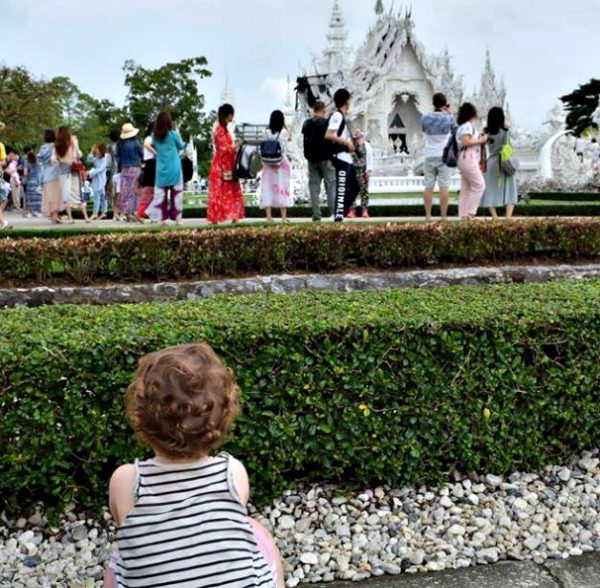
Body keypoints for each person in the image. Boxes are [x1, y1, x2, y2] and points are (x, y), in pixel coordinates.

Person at [104, 344, 285, 588]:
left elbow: (128, 528)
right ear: (224, 415)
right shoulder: (232, 473)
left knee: (117, 563)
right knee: (256, 532)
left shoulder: (126, 481)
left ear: (141, 417)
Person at [207, 104, 245, 225]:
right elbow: (225, 149)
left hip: (226, 164)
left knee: (228, 190)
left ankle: (233, 216)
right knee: (221, 191)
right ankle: (219, 218)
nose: (232, 117)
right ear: (228, 115)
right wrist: (237, 145)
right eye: (231, 114)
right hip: (221, 165)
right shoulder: (220, 130)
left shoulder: (223, 129)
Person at [146, 112, 186, 225]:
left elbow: (153, 145)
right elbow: (182, 146)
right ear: (169, 122)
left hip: (161, 170)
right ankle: (178, 220)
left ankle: (162, 219)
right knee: (177, 195)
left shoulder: (155, 136)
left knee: (160, 195)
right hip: (175, 169)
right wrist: (178, 132)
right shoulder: (173, 135)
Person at [325, 89, 357, 222]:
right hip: (340, 157)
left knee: (356, 186)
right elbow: (328, 134)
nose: (350, 103)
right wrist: (347, 143)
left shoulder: (342, 117)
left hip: (347, 158)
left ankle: (340, 212)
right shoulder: (337, 116)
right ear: (346, 101)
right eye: (349, 100)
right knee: (342, 187)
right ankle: (338, 216)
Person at [421, 93, 454, 221]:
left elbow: (424, 130)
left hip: (429, 155)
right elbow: (454, 129)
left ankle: (428, 215)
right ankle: (443, 216)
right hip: (444, 155)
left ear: (433, 103)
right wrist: (448, 112)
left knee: (428, 186)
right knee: (444, 186)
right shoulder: (448, 118)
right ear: (445, 104)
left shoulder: (425, 118)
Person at [481, 107, 519, 219]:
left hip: (492, 163)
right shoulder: (506, 131)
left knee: (489, 190)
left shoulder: (486, 132)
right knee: (510, 189)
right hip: (505, 162)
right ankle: (508, 217)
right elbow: (509, 145)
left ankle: (495, 216)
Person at [302, 101, 336, 221]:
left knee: (314, 188)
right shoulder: (327, 123)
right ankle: (332, 214)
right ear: (323, 110)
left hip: (312, 160)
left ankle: (316, 215)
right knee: (331, 186)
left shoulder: (307, 124)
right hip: (326, 159)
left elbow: (304, 142)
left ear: (313, 109)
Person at [456, 103, 488, 220]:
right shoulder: (468, 126)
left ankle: (464, 215)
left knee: (466, 188)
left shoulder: (461, 126)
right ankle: (470, 213)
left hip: (464, 158)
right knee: (480, 185)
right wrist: (481, 140)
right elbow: (466, 141)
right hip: (468, 157)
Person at [260, 110, 291, 223]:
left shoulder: (265, 132)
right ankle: (283, 217)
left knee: (267, 189)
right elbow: (285, 147)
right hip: (281, 164)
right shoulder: (283, 133)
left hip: (267, 164)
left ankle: (269, 217)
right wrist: (286, 126)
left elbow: (262, 147)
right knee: (283, 188)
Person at [117, 123, 143, 222]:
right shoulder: (136, 143)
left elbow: (118, 160)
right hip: (135, 168)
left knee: (125, 192)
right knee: (136, 191)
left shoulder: (120, 145)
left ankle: (127, 213)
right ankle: (136, 212)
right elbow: (142, 155)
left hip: (124, 169)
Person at [347, 129, 373, 218]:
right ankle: (352, 211)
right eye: (355, 132)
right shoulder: (350, 145)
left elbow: (369, 159)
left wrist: (368, 170)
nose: (356, 133)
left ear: (362, 134)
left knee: (364, 191)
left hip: (363, 171)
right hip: (352, 171)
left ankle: (364, 210)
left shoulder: (367, 146)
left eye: (358, 131)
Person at [38, 130, 62, 224]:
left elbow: (40, 160)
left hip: (46, 174)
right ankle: (55, 216)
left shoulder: (42, 147)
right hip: (55, 173)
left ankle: (52, 215)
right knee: (56, 195)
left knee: (49, 196)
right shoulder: (55, 146)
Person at [87, 144, 109, 221]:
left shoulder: (105, 159)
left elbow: (100, 169)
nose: (97, 151)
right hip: (97, 179)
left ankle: (95, 213)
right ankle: (104, 212)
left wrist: (90, 173)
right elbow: (89, 159)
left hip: (101, 179)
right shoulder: (96, 157)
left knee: (97, 195)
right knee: (102, 195)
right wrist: (92, 151)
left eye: (98, 150)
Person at [23, 151, 43, 217]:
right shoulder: (38, 163)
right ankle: (38, 212)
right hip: (37, 182)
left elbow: (25, 173)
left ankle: (31, 212)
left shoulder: (27, 163)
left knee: (30, 198)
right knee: (38, 197)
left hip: (30, 182)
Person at [107, 129, 121, 219]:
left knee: (114, 194)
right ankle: (120, 213)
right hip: (120, 170)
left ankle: (115, 213)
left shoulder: (109, 146)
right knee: (120, 193)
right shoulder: (121, 145)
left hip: (112, 171)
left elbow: (108, 161)